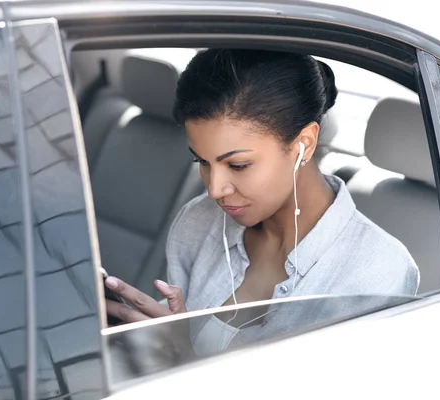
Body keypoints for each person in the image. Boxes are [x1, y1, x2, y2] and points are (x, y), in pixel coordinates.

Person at [104, 49, 420, 354]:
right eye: (202, 162)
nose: (215, 190)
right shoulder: (198, 221)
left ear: (303, 145)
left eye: (238, 165)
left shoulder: (377, 272)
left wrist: (184, 363)